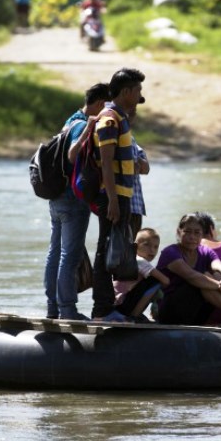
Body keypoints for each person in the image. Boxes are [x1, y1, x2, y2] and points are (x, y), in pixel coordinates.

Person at [43, 82, 109, 321]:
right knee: (69, 256)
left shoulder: (71, 119)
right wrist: (90, 128)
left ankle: (53, 308)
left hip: (56, 196)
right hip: (72, 198)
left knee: (56, 253)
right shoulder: (82, 124)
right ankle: (67, 310)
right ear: (101, 103)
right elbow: (73, 153)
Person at [91, 68, 146, 322]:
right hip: (112, 196)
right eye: (137, 90)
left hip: (121, 195)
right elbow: (106, 162)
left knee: (113, 250)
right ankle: (101, 309)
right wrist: (112, 199)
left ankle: (108, 306)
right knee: (105, 251)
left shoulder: (120, 118)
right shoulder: (110, 119)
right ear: (126, 92)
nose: (139, 95)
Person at [154, 213, 221, 328]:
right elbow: (192, 276)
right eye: (187, 232)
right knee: (204, 280)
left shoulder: (205, 251)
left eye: (197, 233)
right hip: (170, 311)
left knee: (216, 275)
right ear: (179, 232)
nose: (192, 237)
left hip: (197, 312)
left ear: (202, 235)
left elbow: (220, 267)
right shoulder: (170, 253)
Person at [112, 228, 170, 322]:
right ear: (136, 246)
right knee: (155, 282)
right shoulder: (140, 261)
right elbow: (166, 281)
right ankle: (134, 316)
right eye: (147, 245)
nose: (152, 250)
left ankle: (136, 314)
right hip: (122, 306)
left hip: (117, 305)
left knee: (151, 280)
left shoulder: (131, 259)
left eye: (156, 247)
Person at [128, 109, 149, 236]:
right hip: (122, 206)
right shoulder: (114, 136)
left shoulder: (131, 139)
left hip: (136, 207)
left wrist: (136, 162)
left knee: (131, 247)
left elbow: (145, 168)